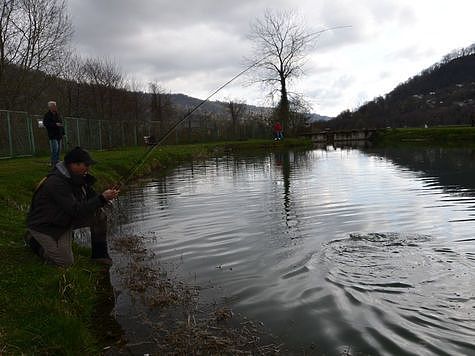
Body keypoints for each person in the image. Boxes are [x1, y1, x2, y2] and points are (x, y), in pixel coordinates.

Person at [25, 147, 119, 267]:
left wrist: (105, 197)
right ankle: (32, 240)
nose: (88, 168)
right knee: (65, 262)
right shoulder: (56, 182)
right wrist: (102, 198)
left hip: (64, 218)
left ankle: (100, 255)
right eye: (86, 165)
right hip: (46, 225)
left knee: (99, 215)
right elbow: (76, 210)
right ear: (73, 164)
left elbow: (91, 199)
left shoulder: (78, 178)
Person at [43, 101, 65, 167]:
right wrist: (55, 124)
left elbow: (61, 124)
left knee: (59, 149)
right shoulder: (47, 115)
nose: (55, 107)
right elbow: (46, 124)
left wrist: (63, 133)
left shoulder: (58, 114)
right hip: (52, 135)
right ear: (50, 107)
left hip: (59, 134)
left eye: (55, 106)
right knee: (55, 148)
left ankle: (57, 161)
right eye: (53, 106)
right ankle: (53, 162)